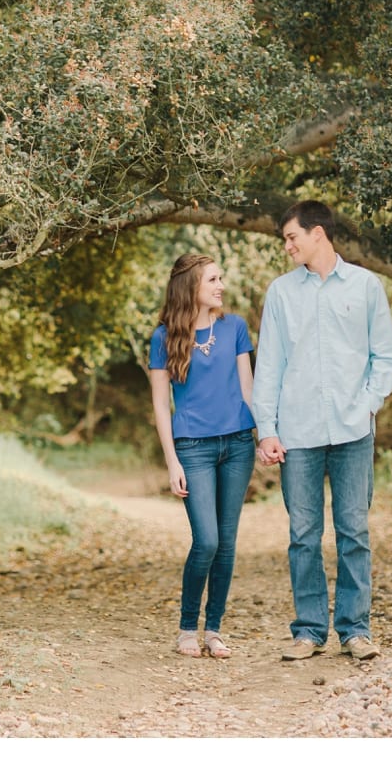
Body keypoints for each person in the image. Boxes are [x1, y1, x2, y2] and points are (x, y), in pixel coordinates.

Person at [252, 201, 392, 661]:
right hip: (297, 432)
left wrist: (369, 404)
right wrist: (267, 429)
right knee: (303, 534)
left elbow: (387, 357)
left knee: (354, 530)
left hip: (354, 431)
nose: (288, 246)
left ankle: (355, 630)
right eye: (285, 240)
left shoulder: (365, 286)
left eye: (292, 237)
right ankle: (309, 631)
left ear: (318, 233)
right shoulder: (280, 293)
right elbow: (270, 366)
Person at [148, 253, 257, 659]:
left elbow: (248, 389)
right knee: (206, 540)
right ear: (191, 285)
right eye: (213, 279)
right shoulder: (163, 337)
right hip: (193, 447)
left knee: (226, 543)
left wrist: (265, 434)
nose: (220, 285)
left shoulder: (235, 328)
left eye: (221, 278)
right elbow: (161, 405)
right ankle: (186, 629)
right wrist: (172, 461)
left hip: (238, 445)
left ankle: (214, 629)